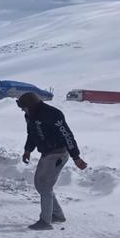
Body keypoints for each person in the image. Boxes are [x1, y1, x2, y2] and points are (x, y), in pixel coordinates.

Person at [17, 92, 88, 230]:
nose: (22, 110)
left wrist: (76, 157)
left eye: (24, 107)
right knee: (40, 185)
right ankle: (57, 215)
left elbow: (67, 136)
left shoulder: (53, 114)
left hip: (58, 154)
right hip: (46, 153)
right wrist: (27, 150)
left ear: (31, 105)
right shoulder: (30, 115)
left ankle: (45, 221)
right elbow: (31, 134)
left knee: (45, 186)